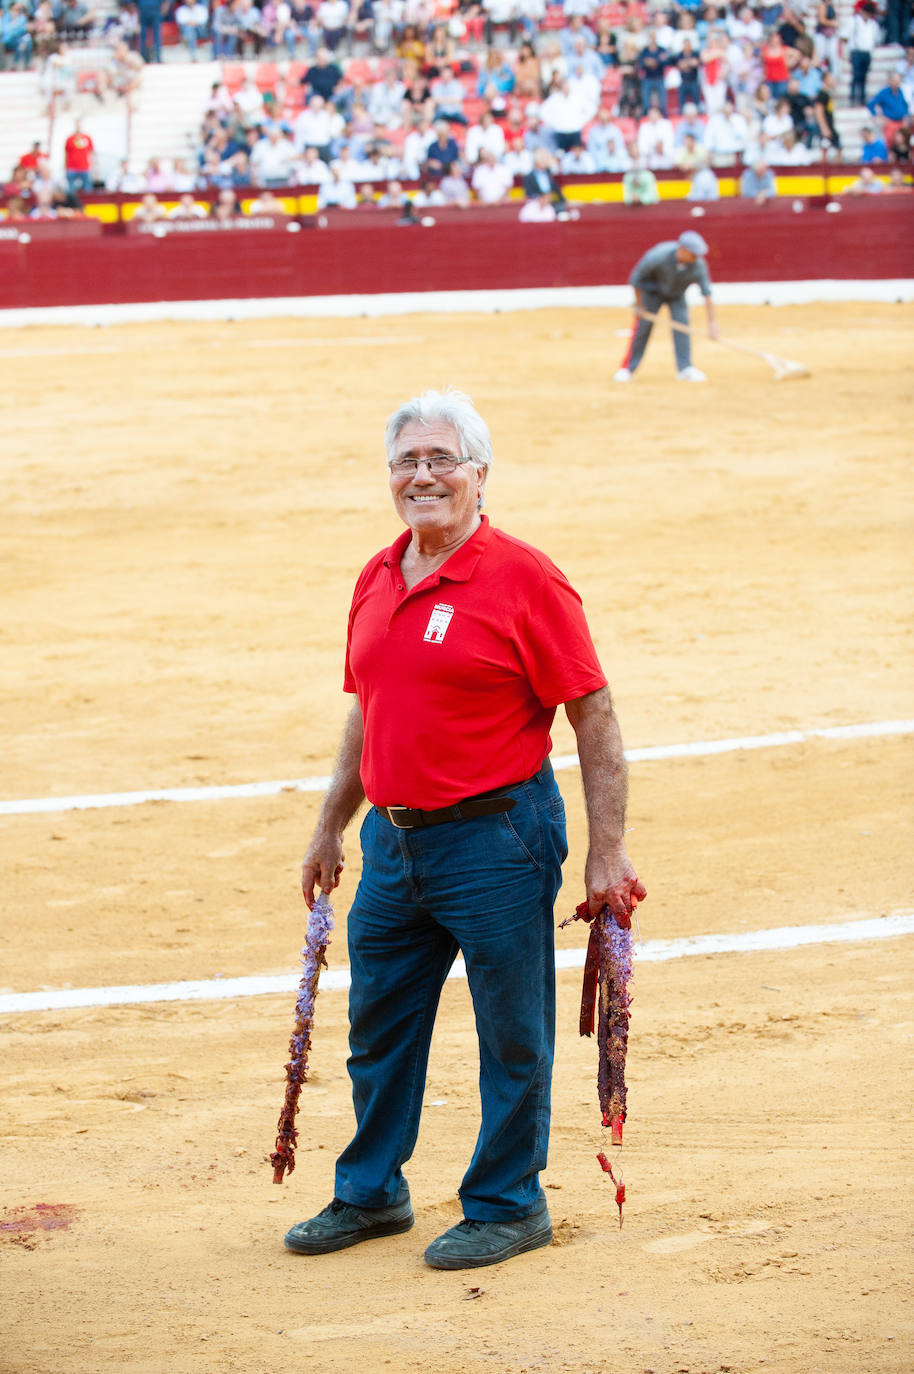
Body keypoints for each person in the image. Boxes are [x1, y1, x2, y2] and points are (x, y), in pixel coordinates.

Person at [283, 388, 645, 1270]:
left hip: (497, 839)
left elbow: (591, 714)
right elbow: (368, 709)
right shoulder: (377, 574)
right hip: (394, 845)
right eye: (407, 461)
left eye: (442, 459)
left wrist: (607, 849)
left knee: (512, 1032)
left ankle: (508, 1203)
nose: (423, 476)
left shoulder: (525, 577)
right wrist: (332, 824)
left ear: (480, 474)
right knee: (379, 1027)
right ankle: (372, 1193)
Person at [614, 230, 718, 383]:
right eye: (693, 254)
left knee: (682, 326)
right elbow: (636, 279)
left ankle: (685, 368)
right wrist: (639, 305)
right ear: (682, 250)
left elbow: (707, 294)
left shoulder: (697, 265)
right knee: (643, 328)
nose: (696, 258)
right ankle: (628, 368)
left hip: (676, 295)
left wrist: (712, 323)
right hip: (652, 292)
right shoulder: (658, 256)